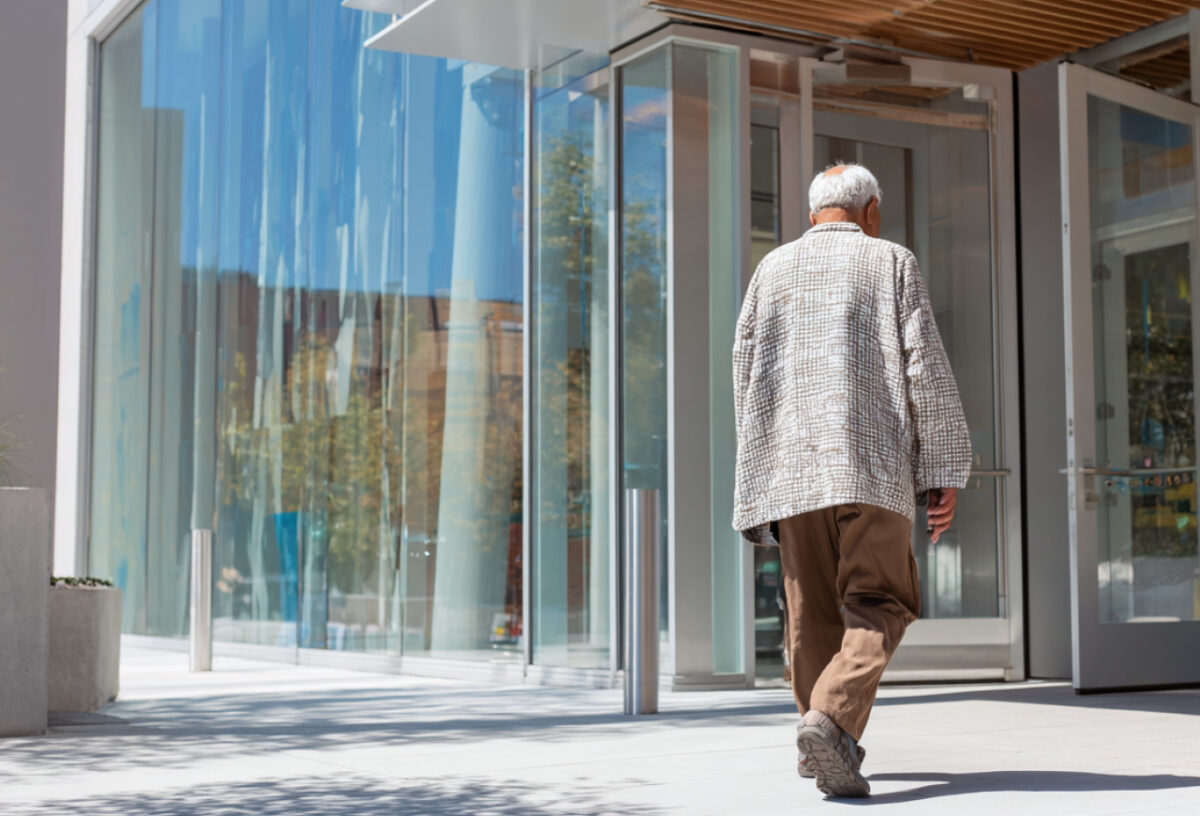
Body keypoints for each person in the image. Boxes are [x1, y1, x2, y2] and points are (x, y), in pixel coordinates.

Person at [732, 164, 971, 798]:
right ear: (869, 210)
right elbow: (924, 365)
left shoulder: (770, 271)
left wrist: (758, 469)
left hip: (789, 471)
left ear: (814, 216)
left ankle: (822, 739)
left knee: (809, 614)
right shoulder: (890, 261)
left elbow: (745, 375)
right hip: (871, 468)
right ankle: (830, 721)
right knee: (884, 601)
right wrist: (942, 471)